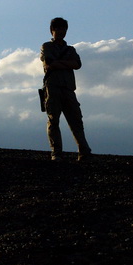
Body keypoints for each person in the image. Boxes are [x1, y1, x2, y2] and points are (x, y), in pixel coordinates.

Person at [40, 17, 92, 161]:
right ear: (52, 30)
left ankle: (84, 152)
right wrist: (67, 63)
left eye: (63, 29)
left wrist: (60, 63)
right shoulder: (47, 46)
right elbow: (50, 64)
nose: (61, 32)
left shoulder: (70, 49)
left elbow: (77, 64)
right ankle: (56, 153)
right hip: (53, 87)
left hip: (68, 89)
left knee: (76, 121)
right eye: (58, 29)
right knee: (53, 120)